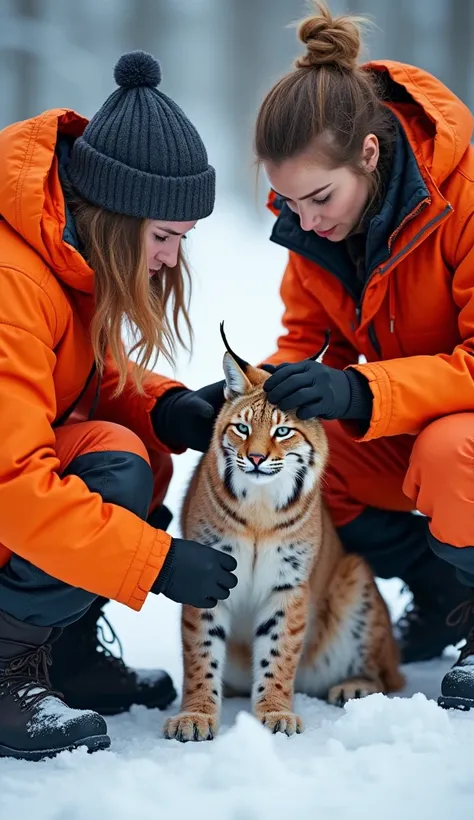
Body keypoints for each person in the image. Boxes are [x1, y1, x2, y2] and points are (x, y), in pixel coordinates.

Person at [0, 50, 238, 760]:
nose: (169, 260)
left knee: (124, 444)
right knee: (114, 469)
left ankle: (61, 654)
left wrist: (165, 407)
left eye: (181, 240)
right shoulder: (12, 283)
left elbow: (67, 370)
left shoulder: (53, 251)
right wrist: (156, 562)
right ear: (111, 215)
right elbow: (13, 483)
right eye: (163, 237)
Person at [252, 2, 474, 711]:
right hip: (407, 416)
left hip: (456, 433)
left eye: (319, 198)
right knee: (305, 458)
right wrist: (247, 397)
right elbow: (304, 340)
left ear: (369, 156)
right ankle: (445, 594)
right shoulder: (314, 225)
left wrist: (361, 393)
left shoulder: (463, 198)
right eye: (289, 203)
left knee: (449, 454)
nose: (306, 221)